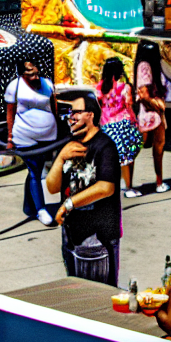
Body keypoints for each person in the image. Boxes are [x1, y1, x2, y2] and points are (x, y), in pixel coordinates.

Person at [45, 93, 122, 285]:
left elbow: (106, 187)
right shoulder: (68, 145)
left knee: (99, 295)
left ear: (91, 115)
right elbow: (52, 187)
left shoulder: (105, 146)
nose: (71, 117)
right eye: (69, 112)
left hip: (98, 238)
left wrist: (68, 204)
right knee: (77, 293)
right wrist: (61, 157)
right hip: (71, 236)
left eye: (76, 112)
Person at [5, 59, 58, 225]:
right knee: (35, 171)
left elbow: (53, 106)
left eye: (36, 73)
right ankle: (41, 210)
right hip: (24, 136)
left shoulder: (47, 83)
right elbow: (10, 112)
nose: (35, 77)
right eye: (30, 74)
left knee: (36, 169)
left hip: (47, 136)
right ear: (22, 74)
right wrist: (10, 137)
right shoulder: (14, 86)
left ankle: (29, 206)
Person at [97, 58, 144, 198]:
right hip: (123, 125)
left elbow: (99, 104)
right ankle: (129, 187)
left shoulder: (99, 87)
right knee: (128, 158)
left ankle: (115, 185)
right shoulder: (124, 87)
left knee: (113, 159)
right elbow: (129, 103)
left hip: (106, 126)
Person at [133, 41, 168, 194]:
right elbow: (144, 94)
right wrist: (159, 105)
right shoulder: (145, 66)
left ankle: (158, 182)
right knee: (137, 149)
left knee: (156, 148)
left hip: (155, 115)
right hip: (148, 114)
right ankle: (129, 184)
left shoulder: (147, 66)